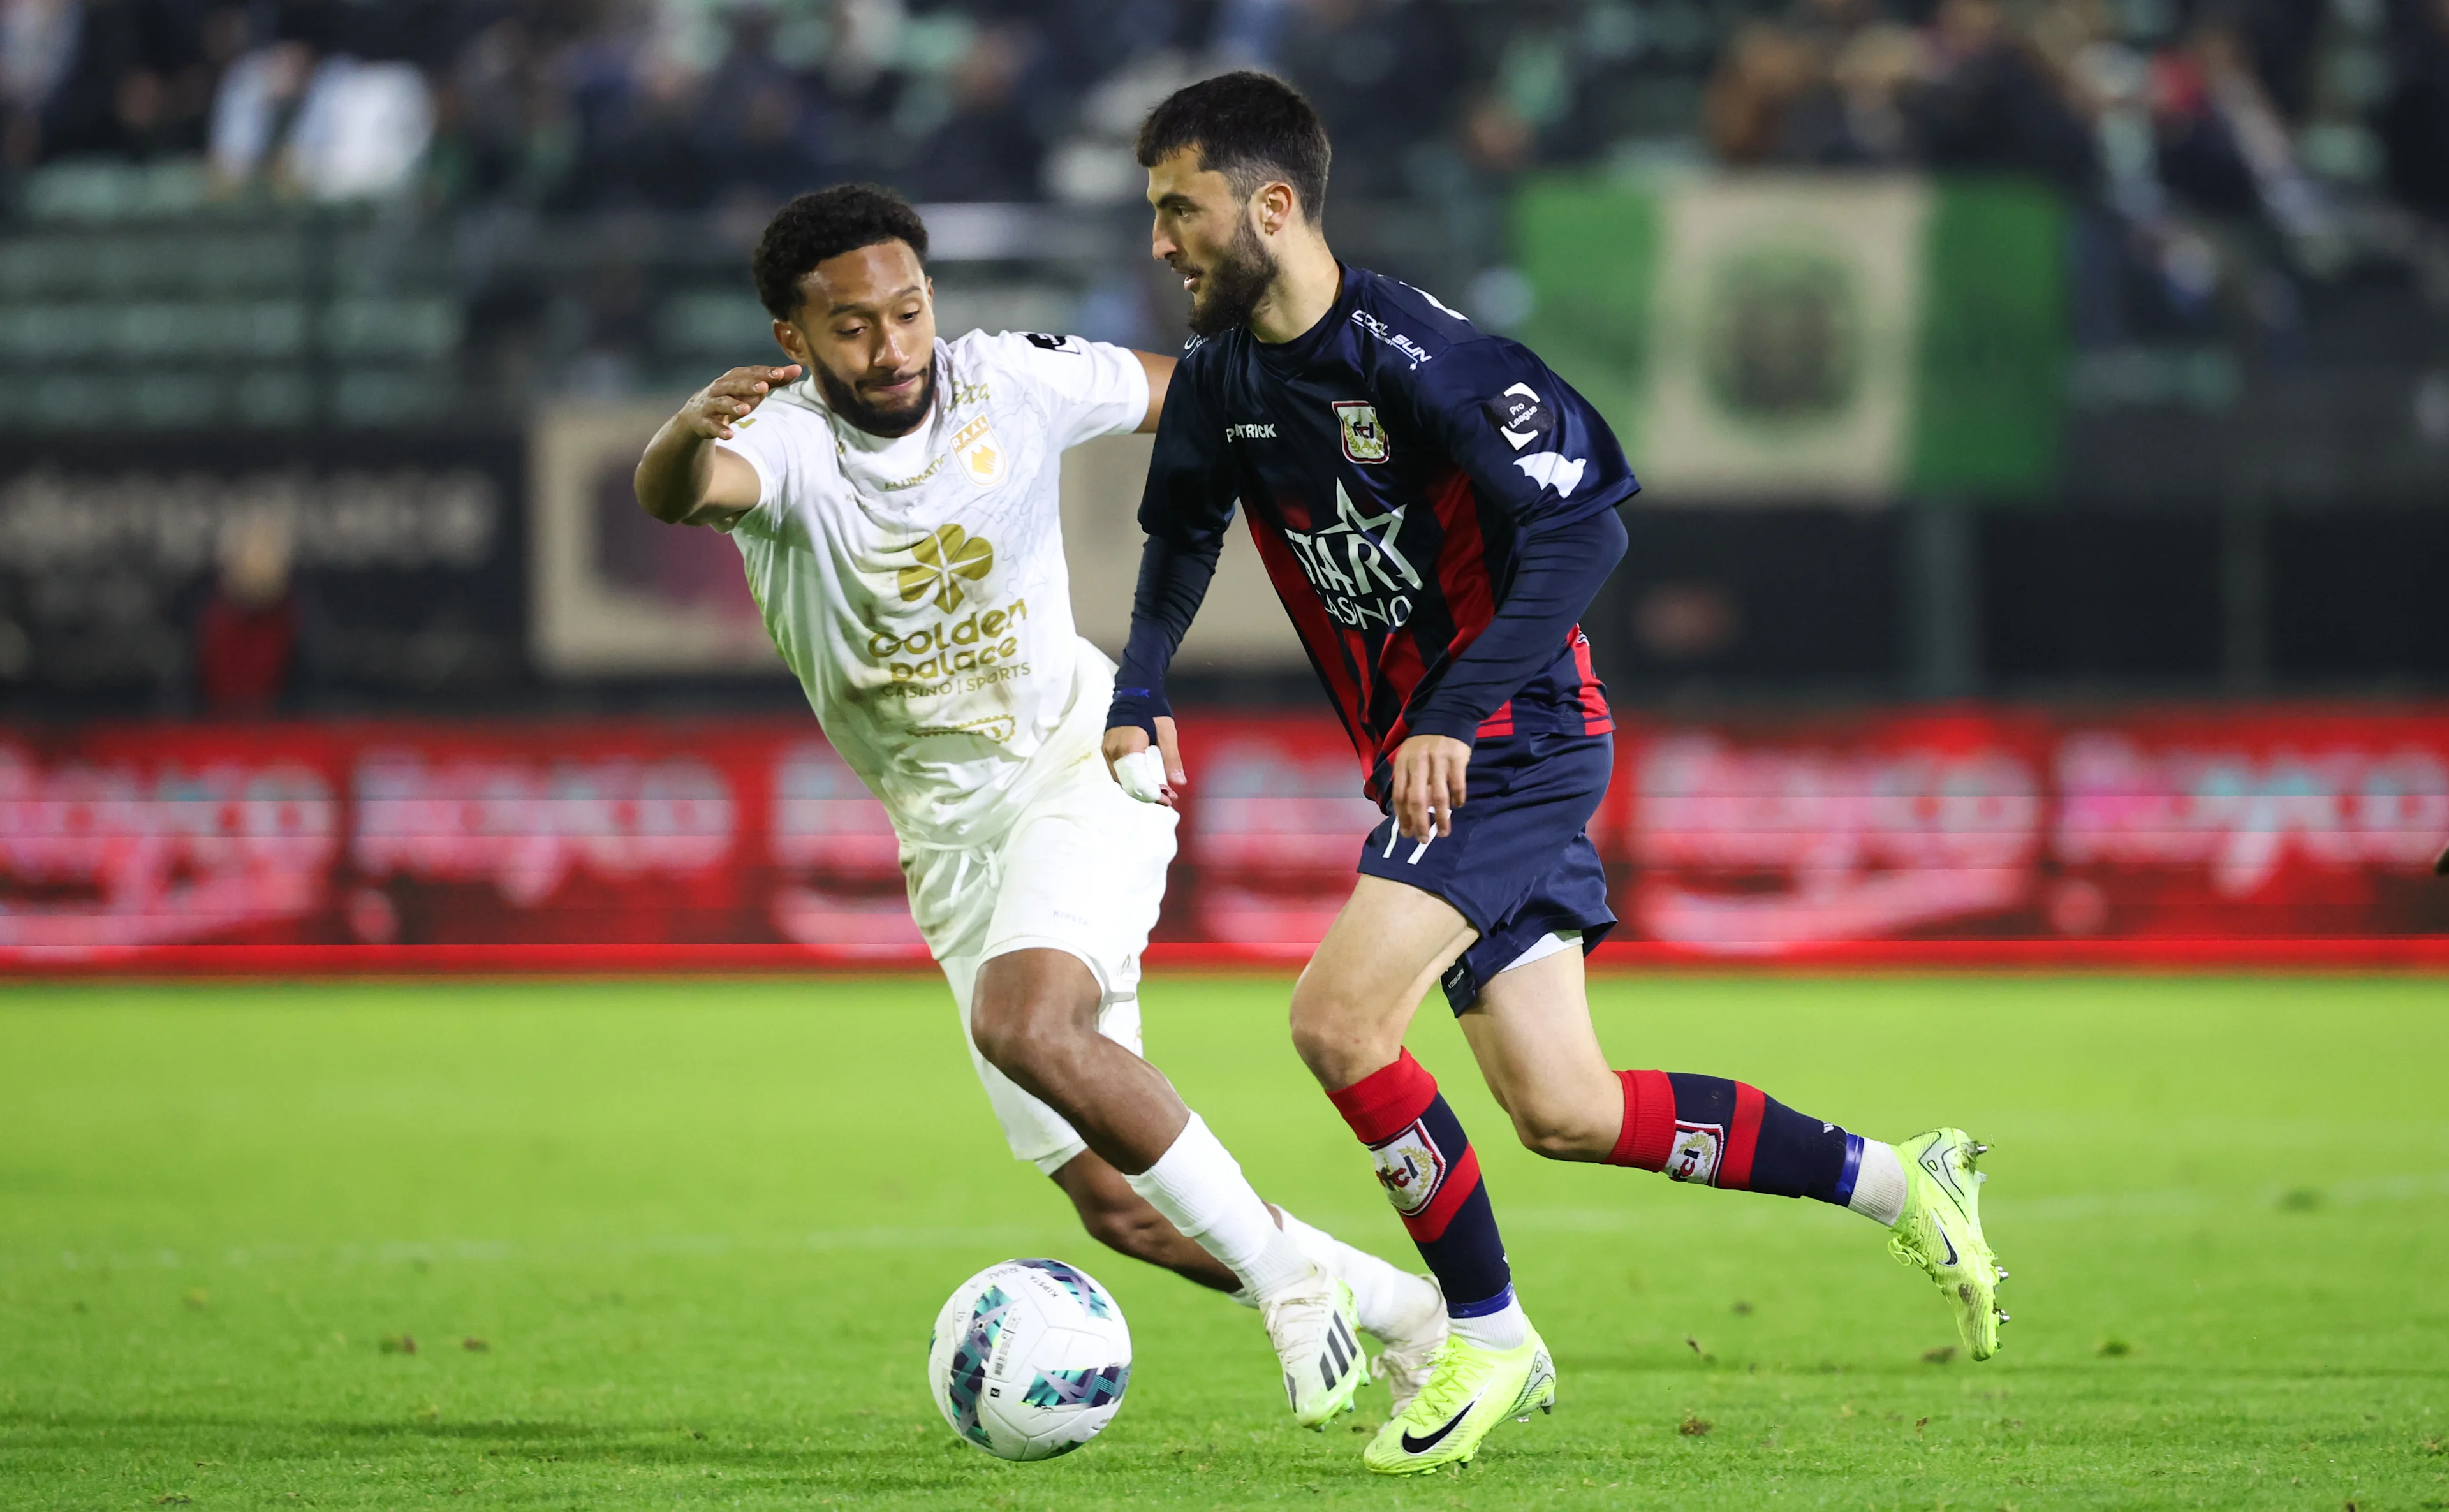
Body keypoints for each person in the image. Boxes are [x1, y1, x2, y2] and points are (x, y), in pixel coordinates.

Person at [1101, 73, 2009, 1476]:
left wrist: (1455, 712)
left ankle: (1489, 1330)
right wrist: (1142, 684)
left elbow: (1587, 525)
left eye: (1180, 208)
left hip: (1510, 741)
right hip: (1434, 757)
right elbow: (1179, 531)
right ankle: (1904, 1181)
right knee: (1567, 1110)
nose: (1159, 241)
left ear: (1270, 206)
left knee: (1339, 1024)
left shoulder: (1419, 354)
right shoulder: (1225, 377)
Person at [630, 182, 1443, 1431]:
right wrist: (686, 429)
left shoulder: (1010, 379)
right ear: (794, 340)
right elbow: (679, 493)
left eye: (909, 311)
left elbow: (1196, 387)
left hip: (1082, 765)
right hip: (950, 844)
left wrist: (1344, 417)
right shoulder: (786, 443)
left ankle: (1286, 1283)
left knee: (1027, 1023)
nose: (893, 346)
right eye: (854, 327)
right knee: (1120, 1211)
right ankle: (1412, 1316)